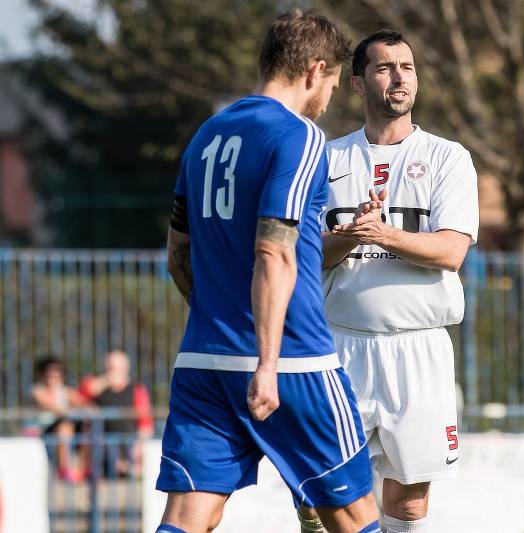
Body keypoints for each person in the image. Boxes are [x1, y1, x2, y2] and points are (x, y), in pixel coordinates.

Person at [156, 10, 379, 533]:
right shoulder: (300, 137)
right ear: (314, 70)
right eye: (330, 84)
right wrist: (267, 361)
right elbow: (273, 252)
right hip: (292, 362)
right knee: (353, 518)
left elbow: (177, 255)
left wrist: (224, 322)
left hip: (203, 362)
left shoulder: (205, 138)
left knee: (188, 518)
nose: (328, 100)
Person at [318, 30, 479, 533]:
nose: (399, 77)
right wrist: (349, 237)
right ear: (358, 84)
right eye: (385, 68)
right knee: (328, 497)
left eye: (407, 67)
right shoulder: (327, 159)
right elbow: (303, 256)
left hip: (418, 350)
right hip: (341, 347)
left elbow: (451, 251)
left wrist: (383, 233)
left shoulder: (448, 157)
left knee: (408, 502)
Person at [79, 350, 154, 477]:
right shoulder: (98, 387)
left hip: (129, 445)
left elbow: (146, 425)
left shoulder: (137, 390)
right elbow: (81, 396)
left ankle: (126, 468)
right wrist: (105, 381)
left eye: (119, 368)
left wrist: (138, 448)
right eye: (111, 368)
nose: (115, 372)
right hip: (101, 445)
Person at [31, 357, 90, 482]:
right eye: (50, 376)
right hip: (44, 432)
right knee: (65, 426)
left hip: (64, 428)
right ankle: (64, 469)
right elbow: (55, 408)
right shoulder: (38, 390)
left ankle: (85, 468)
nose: (54, 379)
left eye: (58, 376)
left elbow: (86, 404)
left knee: (86, 425)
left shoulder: (65, 391)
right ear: (43, 376)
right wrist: (73, 408)